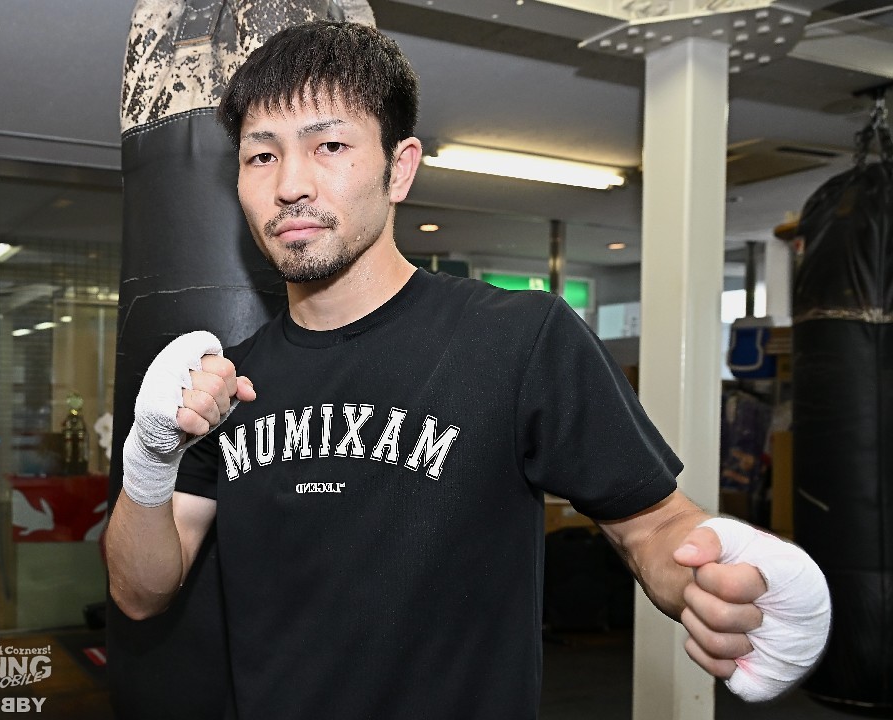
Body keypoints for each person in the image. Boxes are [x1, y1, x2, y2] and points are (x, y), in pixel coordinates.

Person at [105, 20, 831, 719]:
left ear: (399, 168)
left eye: (329, 145)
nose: (291, 183)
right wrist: (150, 456)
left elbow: (653, 527)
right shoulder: (229, 384)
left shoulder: (518, 337)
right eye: (261, 156)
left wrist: (721, 579)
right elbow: (140, 593)